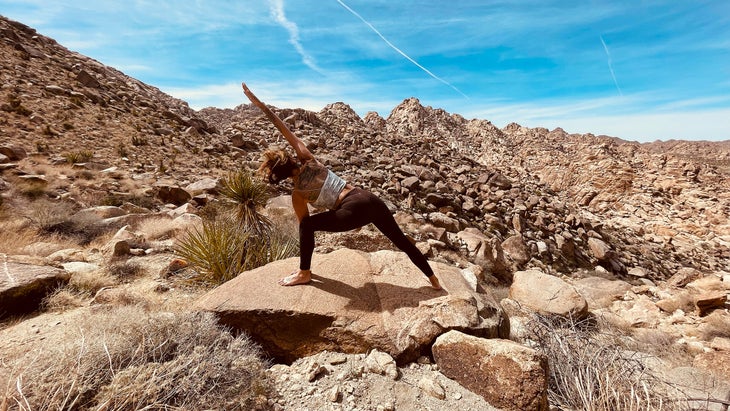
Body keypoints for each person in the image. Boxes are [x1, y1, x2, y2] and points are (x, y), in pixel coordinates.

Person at [242, 83, 442, 290]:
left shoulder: (298, 194)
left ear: (279, 176)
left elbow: (306, 227)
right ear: (291, 160)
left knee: (307, 226)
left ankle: (304, 273)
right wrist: (261, 105)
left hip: (351, 210)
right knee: (400, 239)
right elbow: (283, 128)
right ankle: (434, 280)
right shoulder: (308, 159)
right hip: (367, 197)